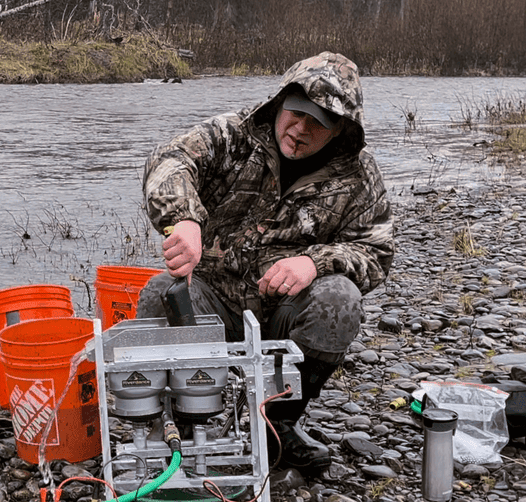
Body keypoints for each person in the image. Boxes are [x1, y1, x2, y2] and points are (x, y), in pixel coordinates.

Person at [137, 51, 394, 476]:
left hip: (282, 316)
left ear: (340, 130)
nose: (300, 129)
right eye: (296, 113)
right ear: (280, 103)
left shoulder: (358, 176)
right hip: (211, 301)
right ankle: (178, 424)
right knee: (160, 293)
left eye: (319, 123)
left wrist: (315, 262)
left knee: (339, 299)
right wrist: (184, 219)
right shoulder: (231, 135)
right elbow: (168, 160)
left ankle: (278, 424)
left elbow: (377, 251)